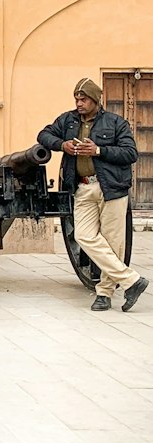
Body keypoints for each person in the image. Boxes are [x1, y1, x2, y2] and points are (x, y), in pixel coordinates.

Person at [38, 77, 147, 313]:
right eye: (76, 98)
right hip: (83, 187)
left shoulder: (116, 123)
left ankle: (104, 294)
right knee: (84, 235)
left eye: (84, 99)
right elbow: (43, 135)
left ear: (95, 100)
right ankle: (131, 280)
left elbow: (130, 153)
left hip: (111, 189)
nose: (79, 103)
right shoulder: (67, 120)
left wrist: (98, 150)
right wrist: (61, 144)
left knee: (112, 243)